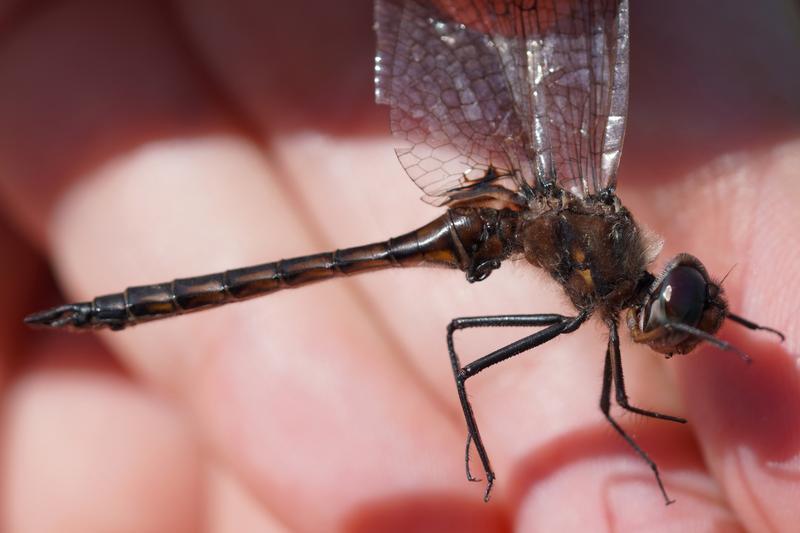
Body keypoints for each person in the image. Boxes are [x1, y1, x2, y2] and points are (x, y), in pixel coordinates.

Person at [2, 0, 798, 531]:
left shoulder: (599, 229)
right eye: (681, 315)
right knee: (473, 344)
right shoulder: (608, 278)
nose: (676, 323)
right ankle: (481, 459)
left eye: (683, 314)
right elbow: (617, 404)